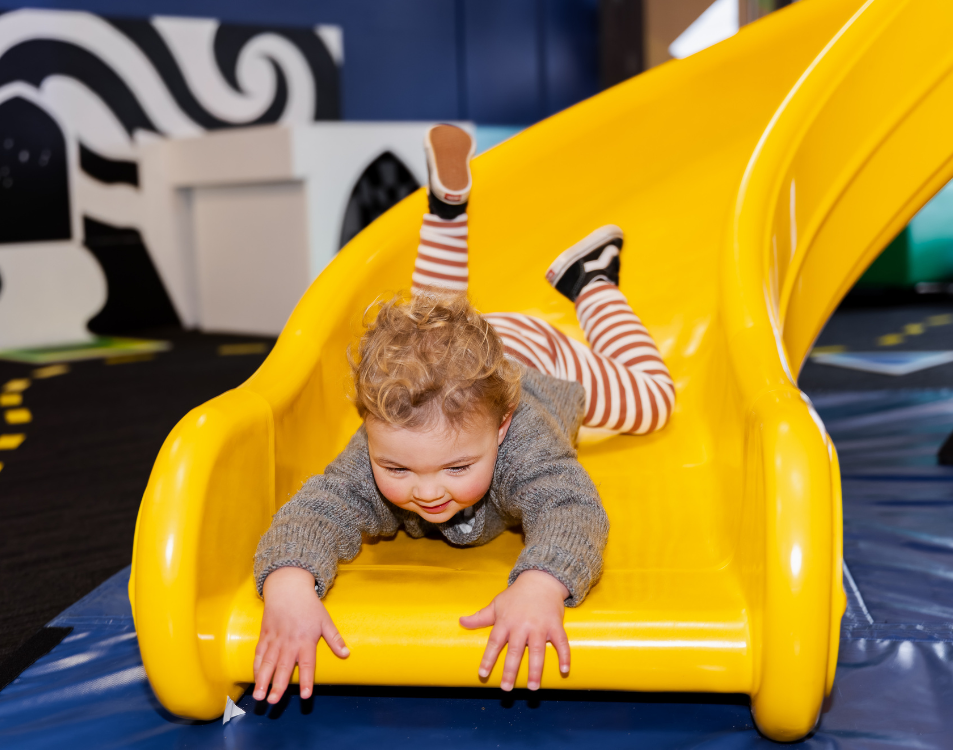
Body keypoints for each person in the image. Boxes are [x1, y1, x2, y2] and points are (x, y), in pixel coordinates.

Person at [252, 124, 674, 705]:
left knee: (652, 400)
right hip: (453, 366)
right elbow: (317, 509)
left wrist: (540, 582)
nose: (425, 491)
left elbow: (572, 507)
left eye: (456, 469)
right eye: (397, 470)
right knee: (437, 320)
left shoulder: (522, 437)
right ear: (371, 431)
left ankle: (593, 279)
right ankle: (446, 211)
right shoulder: (392, 439)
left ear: (499, 431)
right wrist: (289, 585)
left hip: (534, 355)